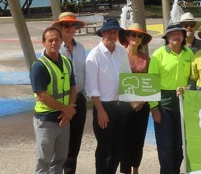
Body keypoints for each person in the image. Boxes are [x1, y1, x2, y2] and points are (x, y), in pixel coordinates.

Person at [85, 18, 132, 173]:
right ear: (102, 33)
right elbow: (92, 89)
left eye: (115, 32)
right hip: (104, 106)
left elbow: (128, 77)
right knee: (104, 149)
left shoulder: (121, 52)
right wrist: (101, 111)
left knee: (118, 148)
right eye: (109, 32)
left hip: (121, 106)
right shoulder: (94, 56)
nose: (112, 35)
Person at [30, 27, 76, 174]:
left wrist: (69, 110)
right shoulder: (39, 66)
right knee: (43, 161)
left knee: (60, 160)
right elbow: (42, 95)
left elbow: (73, 86)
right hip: (46, 120)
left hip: (64, 119)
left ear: (61, 41)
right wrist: (66, 109)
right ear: (44, 43)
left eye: (57, 39)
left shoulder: (66, 62)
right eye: (50, 40)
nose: (54, 43)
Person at [149, 23, 194, 174]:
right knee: (165, 146)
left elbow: (193, 79)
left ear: (183, 36)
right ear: (167, 37)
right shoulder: (158, 54)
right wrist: (154, 108)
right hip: (164, 105)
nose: (176, 36)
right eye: (172, 34)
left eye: (179, 34)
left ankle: (175, 171)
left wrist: (188, 89)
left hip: (183, 105)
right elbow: (152, 82)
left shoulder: (189, 54)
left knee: (179, 145)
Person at [53, 12, 88, 174]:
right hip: (60, 101)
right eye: (66, 25)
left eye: (73, 25)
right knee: (59, 146)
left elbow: (84, 72)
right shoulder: (53, 49)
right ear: (59, 28)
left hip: (78, 99)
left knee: (74, 145)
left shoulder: (80, 48)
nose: (70, 28)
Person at [120, 22, 152, 174]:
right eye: (133, 34)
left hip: (142, 104)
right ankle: (125, 170)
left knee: (139, 139)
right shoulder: (119, 56)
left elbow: (149, 82)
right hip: (123, 105)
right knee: (124, 139)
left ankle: (136, 169)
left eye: (139, 36)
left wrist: (141, 101)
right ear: (127, 36)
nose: (136, 38)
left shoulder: (145, 58)